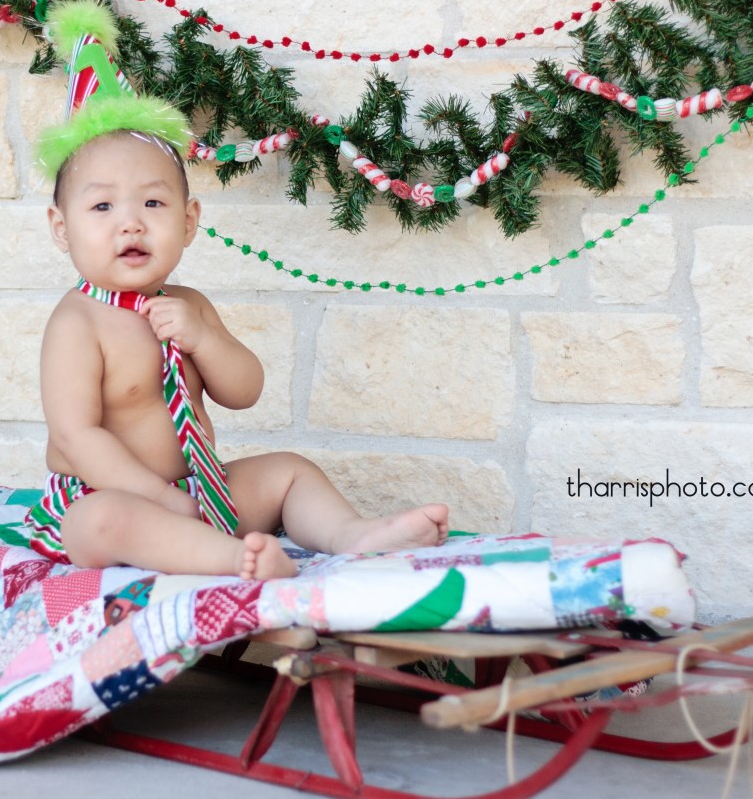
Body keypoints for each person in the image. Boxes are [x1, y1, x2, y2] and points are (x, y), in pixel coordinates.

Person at [25, 129, 451, 580]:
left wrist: (204, 341)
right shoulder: (77, 324)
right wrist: (158, 496)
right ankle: (236, 561)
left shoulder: (190, 304)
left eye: (153, 203)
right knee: (102, 521)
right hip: (110, 495)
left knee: (290, 471)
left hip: (201, 493)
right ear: (62, 227)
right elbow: (77, 437)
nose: (131, 222)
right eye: (102, 206)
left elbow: (244, 391)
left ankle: (351, 535)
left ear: (188, 221)